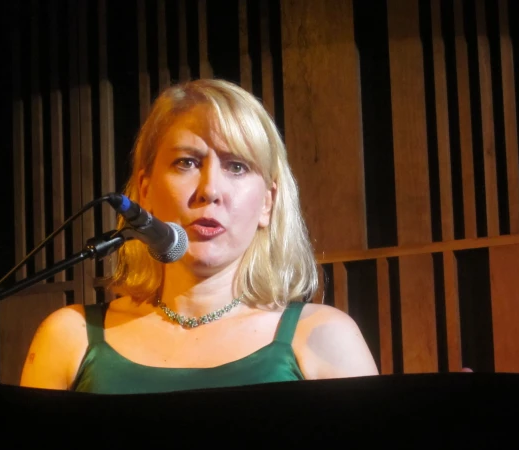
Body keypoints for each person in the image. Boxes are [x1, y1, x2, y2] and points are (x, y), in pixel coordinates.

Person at [20, 78, 379, 393]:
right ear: (144, 192)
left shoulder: (324, 336)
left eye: (236, 166)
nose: (210, 190)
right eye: (186, 162)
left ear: (267, 204)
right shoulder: (70, 336)